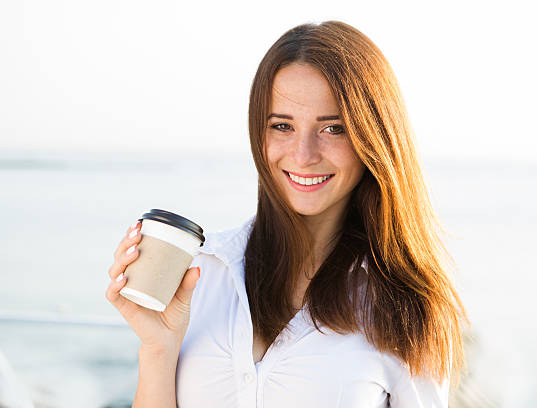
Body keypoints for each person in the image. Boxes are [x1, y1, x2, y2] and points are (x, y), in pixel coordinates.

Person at [106, 20, 467, 407]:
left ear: (373, 137)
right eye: (282, 126)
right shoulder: (204, 274)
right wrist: (158, 347)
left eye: (333, 129)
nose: (303, 155)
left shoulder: (403, 306)